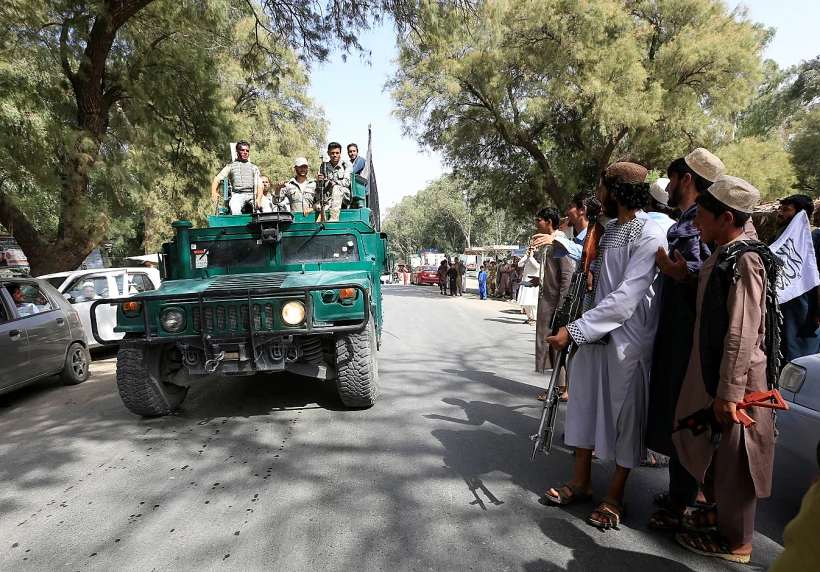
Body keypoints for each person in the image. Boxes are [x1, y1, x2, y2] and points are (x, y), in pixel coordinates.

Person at [542, 162, 667, 531]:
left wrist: (575, 331)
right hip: (593, 333)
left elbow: (627, 299)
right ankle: (582, 480)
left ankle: (616, 493)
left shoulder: (650, 233)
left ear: (616, 191)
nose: (597, 196)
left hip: (627, 342)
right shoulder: (607, 230)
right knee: (582, 402)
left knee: (625, 416)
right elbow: (594, 284)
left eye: (601, 189)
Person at [672, 176, 782, 563]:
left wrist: (730, 392)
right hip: (715, 375)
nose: (695, 222)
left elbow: (742, 331)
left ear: (728, 217)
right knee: (716, 455)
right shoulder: (723, 250)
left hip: (737, 381)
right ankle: (721, 516)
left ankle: (738, 542)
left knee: (738, 462)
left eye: (701, 216)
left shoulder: (746, 259)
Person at [645, 148, 727, 531]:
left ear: (687, 179)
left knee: (686, 416)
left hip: (691, 338)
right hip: (679, 331)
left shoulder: (700, 222)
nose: (671, 186)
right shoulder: (692, 220)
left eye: (673, 178)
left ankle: (685, 501)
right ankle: (683, 493)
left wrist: (681, 275)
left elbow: (706, 277)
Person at [768, 194, 820, 363]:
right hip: (780, 308)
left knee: (801, 360)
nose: (779, 214)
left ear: (800, 214)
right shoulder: (775, 239)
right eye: (780, 209)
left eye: (786, 210)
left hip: (805, 310)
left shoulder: (812, 241)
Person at [532, 206, 578, 400]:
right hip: (548, 300)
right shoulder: (549, 244)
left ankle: (561, 388)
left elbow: (567, 275)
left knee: (557, 345)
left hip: (556, 303)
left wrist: (562, 305)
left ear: (549, 222)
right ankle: (558, 386)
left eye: (539, 220)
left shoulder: (560, 242)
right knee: (551, 344)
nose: (537, 224)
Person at [535, 190, 596, 262]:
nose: (566, 212)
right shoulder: (579, 241)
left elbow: (588, 255)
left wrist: (557, 241)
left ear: (582, 210)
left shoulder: (595, 238)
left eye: (570, 207)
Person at [210, 140, 263, 215]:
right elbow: (217, 180)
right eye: (242, 150)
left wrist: (259, 198)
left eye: (247, 151)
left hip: (252, 194)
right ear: (237, 152)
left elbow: (260, 185)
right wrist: (213, 192)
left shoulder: (254, 167)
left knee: (265, 208)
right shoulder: (230, 166)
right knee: (235, 207)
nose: (245, 152)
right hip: (238, 195)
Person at [317, 142, 352, 221]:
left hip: (344, 194)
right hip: (329, 196)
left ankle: (334, 216)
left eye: (337, 153)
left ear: (340, 153)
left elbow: (346, 182)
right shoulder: (324, 167)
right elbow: (321, 186)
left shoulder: (346, 165)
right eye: (332, 153)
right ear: (328, 153)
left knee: (336, 188)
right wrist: (320, 180)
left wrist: (335, 183)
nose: (335, 155)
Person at [517, 247, 540, 324]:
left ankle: (535, 318)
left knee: (533, 302)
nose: (531, 250)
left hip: (533, 283)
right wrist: (526, 256)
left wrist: (531, 257)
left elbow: (537, 267)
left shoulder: (538, 260)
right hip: (525, 282)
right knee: (525, 301)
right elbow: (519, 264)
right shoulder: (528, 259)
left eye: (533, 249)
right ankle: (529, 317)